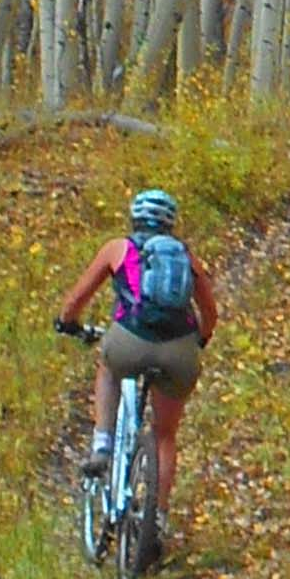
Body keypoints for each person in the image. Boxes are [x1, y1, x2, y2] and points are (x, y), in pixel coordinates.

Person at [55, 189, 218, 529]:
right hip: (179, 349)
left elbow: (77, 298)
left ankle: (102, 443)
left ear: (134, 217)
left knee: (109, 367)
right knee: (164, 436)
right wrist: (199, 340)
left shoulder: (119, 248)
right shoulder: (187, 257)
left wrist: (68, 323)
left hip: (128, 340)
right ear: (170, 224)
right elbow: (210, 312)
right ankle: (156, 518)